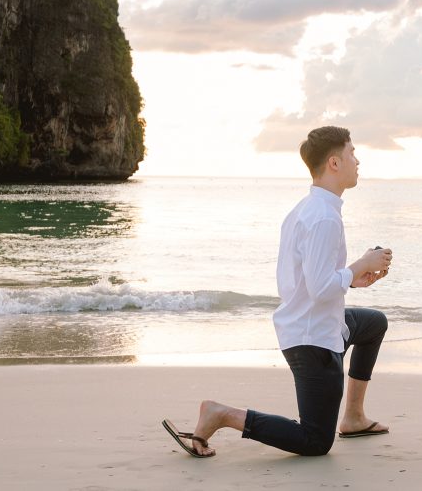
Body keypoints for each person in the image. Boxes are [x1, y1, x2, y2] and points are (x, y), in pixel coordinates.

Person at [162, 126, 393, 458]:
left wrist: (354, 279)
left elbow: (304, 281)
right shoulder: (324, 218)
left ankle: (354, 417)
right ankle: (222, 414)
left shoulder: (306, 209)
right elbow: (320, 288)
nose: (358, 160)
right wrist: (361, 263)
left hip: (310, 323)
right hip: (313, 340)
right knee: (315, 441)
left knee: (374, 323)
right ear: (334, 163)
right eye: (352, 153)